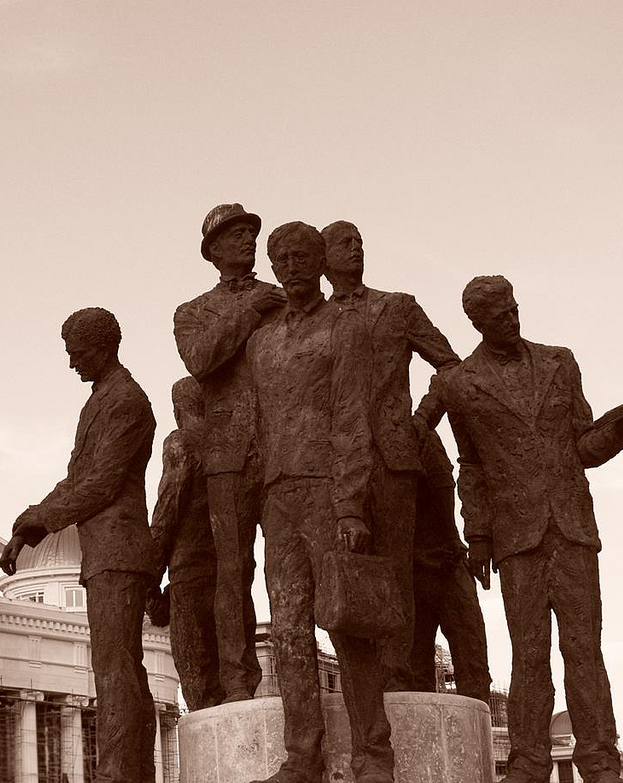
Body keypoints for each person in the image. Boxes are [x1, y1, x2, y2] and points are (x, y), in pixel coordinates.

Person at [415, 275, 622, 783]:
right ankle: (528, 763)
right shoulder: (460, 383)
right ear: (478, 324)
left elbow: (585, 446)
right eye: (499, 316)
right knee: (529, 652)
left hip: (571, 527)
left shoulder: (560, 361)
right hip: (515, 537)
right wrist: (478, 535)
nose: (511, 320)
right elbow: (472, 466)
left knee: (585, 648)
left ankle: (599, 761)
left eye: (513, 309)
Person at [247, 222, 393, 783]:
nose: (290, 264)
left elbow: (353, 416)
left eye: (301, 254)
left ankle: (372, 756)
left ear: (318, 260)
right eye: (279, 256)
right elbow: (262, 421)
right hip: (278, 496)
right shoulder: (264, 340)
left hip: (331, 491)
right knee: (287, 629)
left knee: (348, 622)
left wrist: (351, 503)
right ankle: (302, 756)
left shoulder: (344, 327)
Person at [0, 307, 156, 783]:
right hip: (105, 551)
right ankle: (133, 772)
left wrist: (38, 521)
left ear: (104, 347)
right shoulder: (99, 401)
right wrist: (29, 526)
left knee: (115, 672)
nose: (72, 364)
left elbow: (101, 484)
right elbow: (75, 480)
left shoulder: (127, 400)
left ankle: (117, 775)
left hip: (119, 550)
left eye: (77, 353)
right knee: (122, 669)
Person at [320, 220, 460, 690]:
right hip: (335, 462)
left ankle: (396, 675)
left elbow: (449, 365)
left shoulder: (397, 307)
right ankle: (361, 680)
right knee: (345, 568)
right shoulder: (316, 320)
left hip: (396, 457)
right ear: (324, 259)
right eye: (344, 243)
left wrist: (421, 422)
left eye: (360, 241)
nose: (356, 249)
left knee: (397, 568)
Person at [173, 203, 285, 702]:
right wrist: (247, 312)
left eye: (250, 232)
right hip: (227, 455)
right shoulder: (192, 312)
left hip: (285, 448)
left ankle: (293, 675)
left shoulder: (283, 298)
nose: (246, 240)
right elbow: (201, 360)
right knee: (233, 570)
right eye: (235, 234)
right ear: (213, 251)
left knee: (287, 568)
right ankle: (239, 681)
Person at [148, 376, 223, 710]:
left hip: (190, 566)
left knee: (195, 664)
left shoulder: (182, 442)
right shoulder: (226, 442)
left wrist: (152, 572)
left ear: (179, 408)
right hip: (229, 566)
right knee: (224, 659)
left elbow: (168, 506)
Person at [409, 425, 490, 703]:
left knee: (467, 661)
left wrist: (450, 542)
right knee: (419, 668)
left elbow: (444, 483)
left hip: (435, 560)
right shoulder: (411, 434)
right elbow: (444, 483)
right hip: (423, 564)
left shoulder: (417, 434)